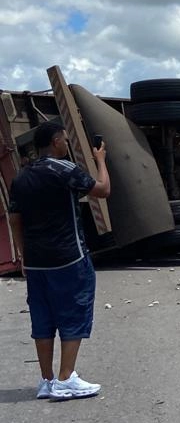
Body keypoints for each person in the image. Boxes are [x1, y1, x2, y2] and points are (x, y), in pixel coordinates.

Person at [8, 121, 111, 401]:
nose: (67, 144)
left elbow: (15, 218)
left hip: (36, 261)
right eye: (65, 140)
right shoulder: (64, 170)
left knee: (42, 319)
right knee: (73, 313)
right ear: (56, 142)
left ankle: (46, 380)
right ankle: (66, 378)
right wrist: (100, 160)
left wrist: (24, 253)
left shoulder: (21, 177)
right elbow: (102, 190)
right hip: (69, 257)